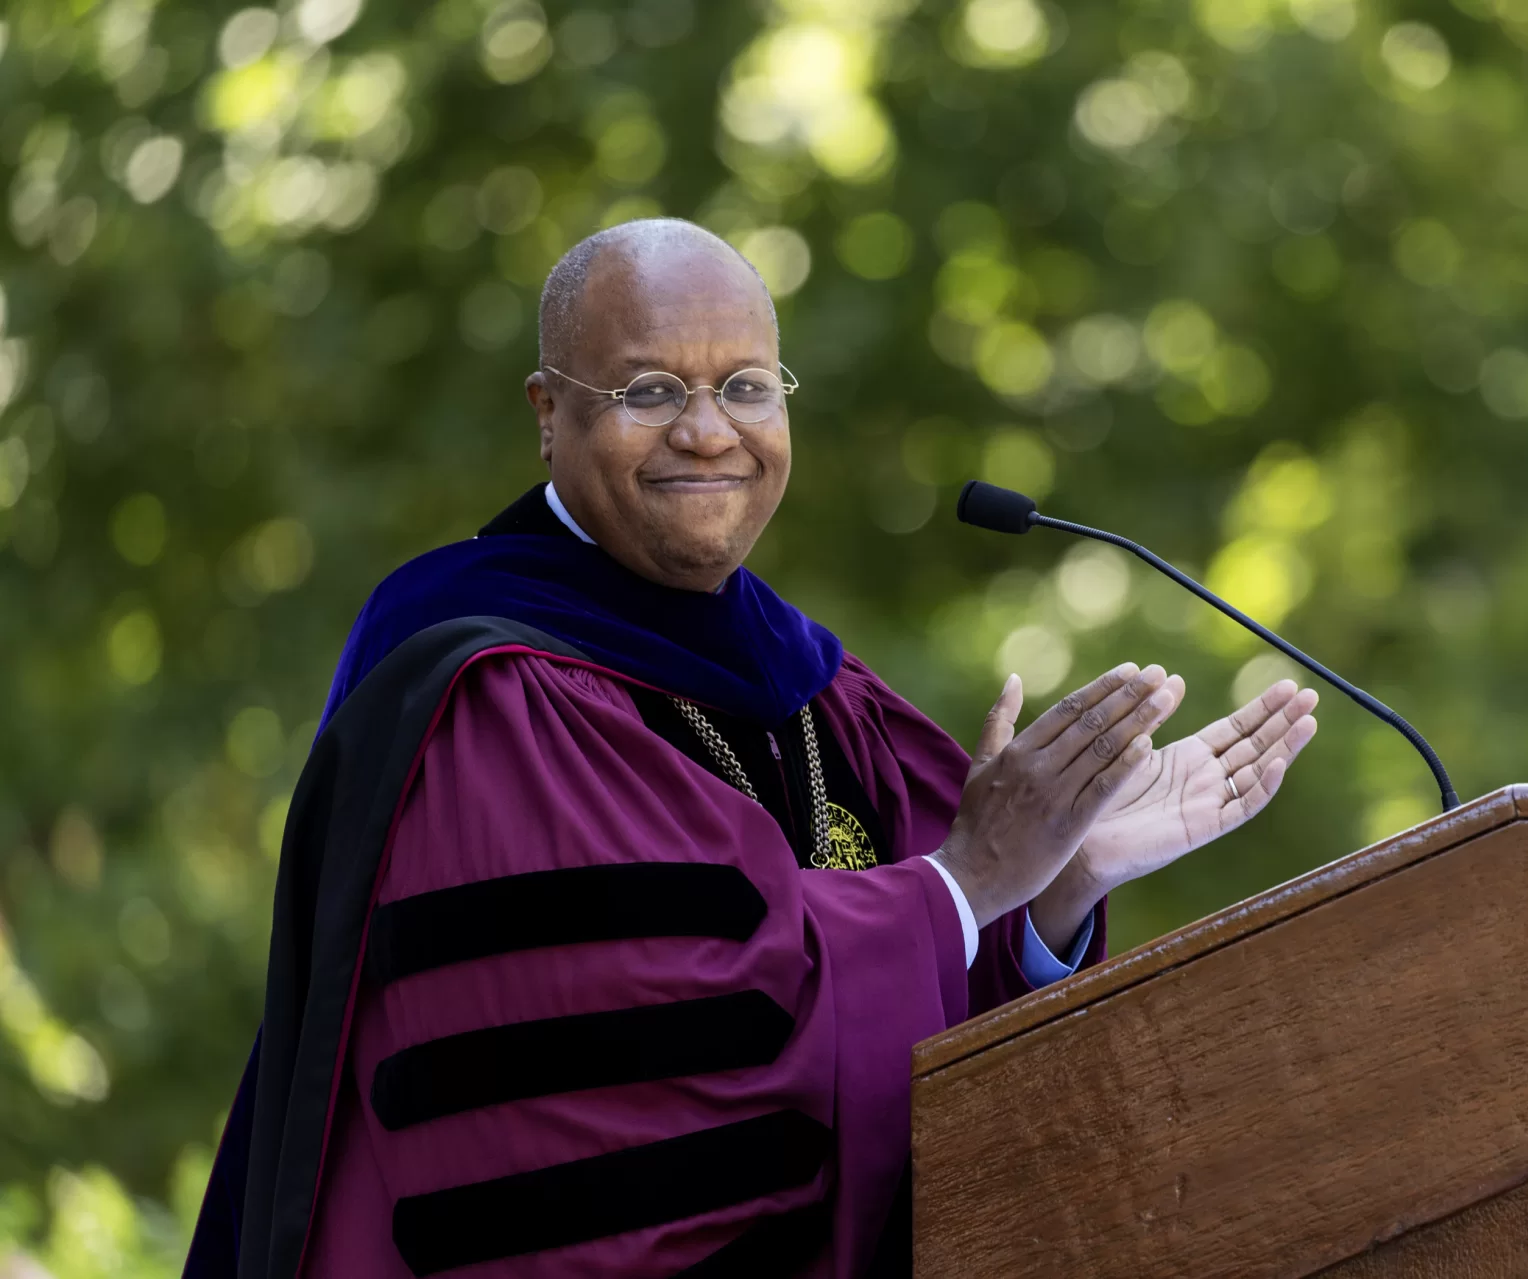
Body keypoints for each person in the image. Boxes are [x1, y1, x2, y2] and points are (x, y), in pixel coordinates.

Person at [184, 218, 1319, 1279]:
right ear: (545, 411)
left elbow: (918, 1000)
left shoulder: (819, 693)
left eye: (743, 387)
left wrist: (1052, 892)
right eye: (646, 390)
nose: (707, 430)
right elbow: (647, 1062)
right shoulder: (481, 696)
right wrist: (967, 880)